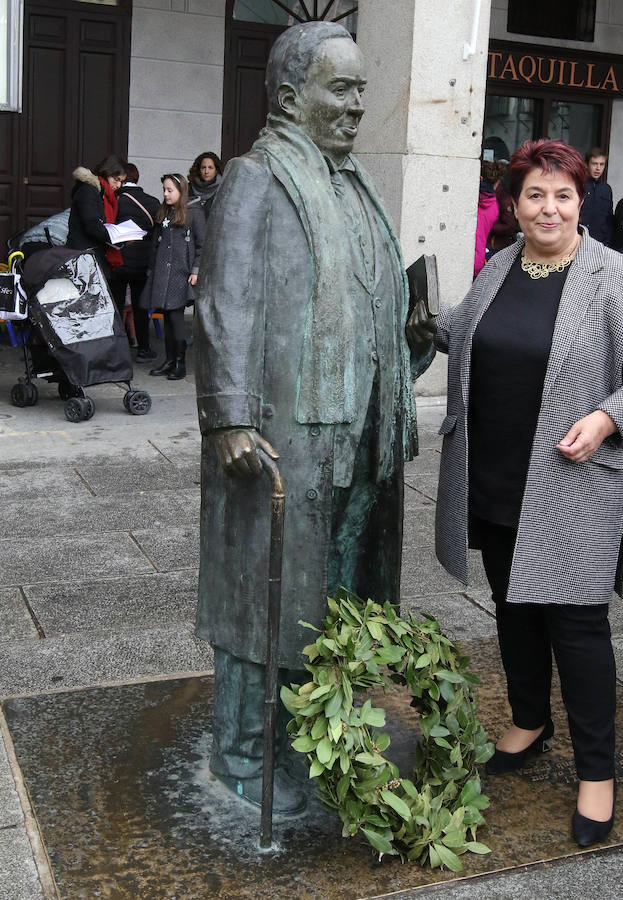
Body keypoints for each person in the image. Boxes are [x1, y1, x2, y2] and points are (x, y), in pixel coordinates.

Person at [194, 21, 434, 814]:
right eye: (344, 89)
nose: (359, 106)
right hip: (282, 433)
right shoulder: (256, 177)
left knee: (332, 593)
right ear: (292, 97)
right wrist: (228, 416)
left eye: (365, 89)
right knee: (265, 596)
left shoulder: (355, 182)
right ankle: (242, 753)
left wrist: (406, 335)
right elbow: (223, 300)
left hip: (355, 430)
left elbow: (363, 291)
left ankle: (317, 730)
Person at [432, 139, 623, 848]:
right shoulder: (502, 265)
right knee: (513, 608)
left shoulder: (615, 276)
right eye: (535, 195)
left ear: (582, 201)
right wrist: (418, 316)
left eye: (562, 194)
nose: (548, 207)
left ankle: (596, 772)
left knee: (576, 627)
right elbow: (467, 331)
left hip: (571, 480)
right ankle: (529, 719)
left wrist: (606, 418)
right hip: (497, 473)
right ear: (515, 204)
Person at [141, 174, 205, 379]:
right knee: (167, 318)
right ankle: (169, 360)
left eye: (170, 190)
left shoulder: (194, 213)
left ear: (181, 191)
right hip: (162, 273)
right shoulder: (165, 213)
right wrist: (151, 269)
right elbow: (154, 244)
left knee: (176, 319)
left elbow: (202, 245)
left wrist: (196, 270)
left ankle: (180, 362)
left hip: (181, 273)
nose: (166, 194)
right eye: (164, 190)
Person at [111, 163, 161, 362]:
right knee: (141, 307)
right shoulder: (153, 201)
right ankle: (144, 349)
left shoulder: (115, 201)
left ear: (122, 178)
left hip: (120, 260)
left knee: (117, 306)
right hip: (143, 262)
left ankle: (116, 351)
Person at [67, 154, 126, 278]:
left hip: (90, 255)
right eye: (116, 179)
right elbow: (92, 225)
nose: (118, 185)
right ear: (106, 172)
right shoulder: (88, 190)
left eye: (121, 181)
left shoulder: (101, 192)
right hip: (83, 256)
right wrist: (117, 236)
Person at [579, 147, 613, 244]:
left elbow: (609, 219)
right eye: (594, 164)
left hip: (600, 241)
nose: (598, 168)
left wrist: (607, 241)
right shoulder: (579, 186)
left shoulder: (607, 189)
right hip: (579, 239)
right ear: (586, 165)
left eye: (601, 164)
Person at [474, 160, 500, 278]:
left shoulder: (471, 199)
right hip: (479, 260)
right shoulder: (494, 206)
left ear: (479, 178)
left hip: (463, 258)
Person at [488, 160, 518, 254]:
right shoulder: (490, 195)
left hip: (495, 247)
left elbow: (510, 225)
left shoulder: (503, 198)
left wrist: (488, 227)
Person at [187, 152, 223, 220]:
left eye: (210, 168)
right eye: (203, 167)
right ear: (199, 169)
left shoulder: (222, 190)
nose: (206, 171)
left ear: (216, 170)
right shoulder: (188, 188)